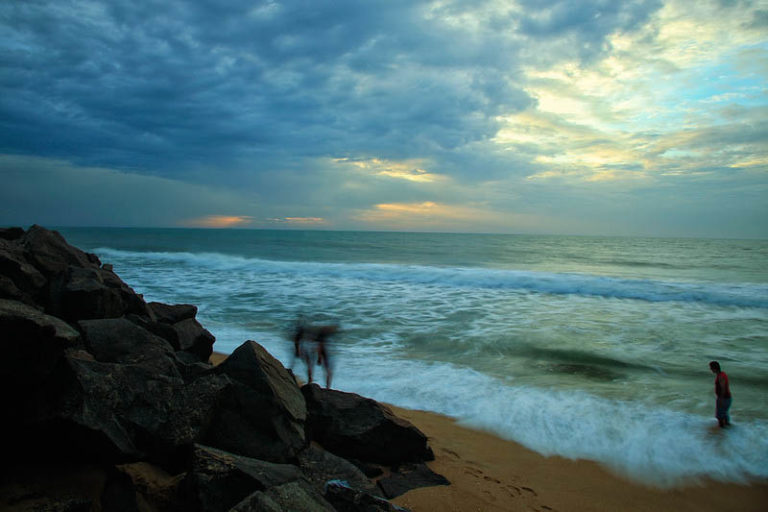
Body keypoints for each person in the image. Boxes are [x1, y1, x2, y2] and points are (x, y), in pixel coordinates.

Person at [709, 361, 732, 428]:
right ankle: (726, 429)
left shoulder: (721, 376)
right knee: (724, 414)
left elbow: (723, 387)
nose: (710, 369)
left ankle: (722, 431)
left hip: (724, 398)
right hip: (727, 398)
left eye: (711, 368)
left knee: (720, 416)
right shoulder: (722, 374)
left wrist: (721, 399)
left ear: (714, 368)